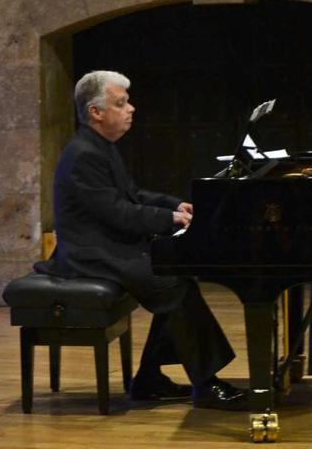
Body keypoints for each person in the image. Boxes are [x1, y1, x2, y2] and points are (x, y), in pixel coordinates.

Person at [35, 70, 247, 410]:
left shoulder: (100, 147)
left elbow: (131, 195)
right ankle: (205, 384)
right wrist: (169, 220)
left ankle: (149, 379)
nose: (131, 108)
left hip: (105, 247)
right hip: (89, 255)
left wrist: (173, 205)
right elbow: (117, 212)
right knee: (173, 283)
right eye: (121, 103)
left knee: (174, 278)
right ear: (96, 113)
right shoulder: (84, 155)